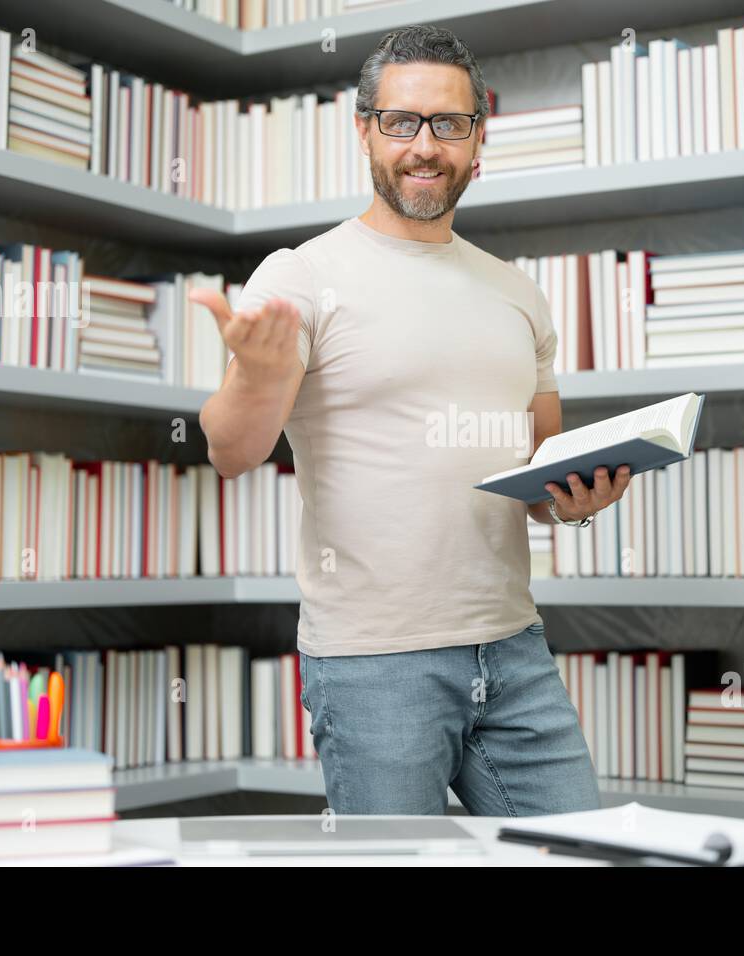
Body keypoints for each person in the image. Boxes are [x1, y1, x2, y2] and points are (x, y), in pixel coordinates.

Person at [195, 24, 630, 816]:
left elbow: (536, 474)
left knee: (586, 855)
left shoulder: (517, 294)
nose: (424, 146)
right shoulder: (301, 276)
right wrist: (257, 376)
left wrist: (573, 495)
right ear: (364, 129)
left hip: (513, 649)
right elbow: (231, 450)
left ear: (477, 139)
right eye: (402, 122)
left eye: (448, 124)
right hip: (372, 663)